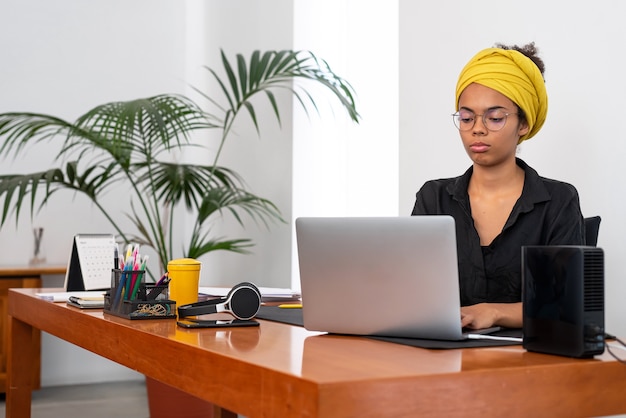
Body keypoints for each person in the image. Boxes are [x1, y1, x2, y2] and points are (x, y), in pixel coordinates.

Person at [411, 42, 585, 330]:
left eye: (494, 118)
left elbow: (562, 302)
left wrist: (492, 312)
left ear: (524, 124)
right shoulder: (434, 198)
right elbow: (412, 289)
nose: (477, 128)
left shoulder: (558, 201)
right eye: (466, 117)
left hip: (528, 358)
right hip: (444, 354)